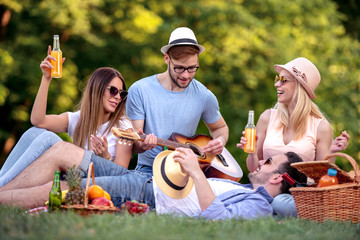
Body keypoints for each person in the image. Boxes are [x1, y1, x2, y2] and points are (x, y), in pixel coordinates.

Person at [0, 140, 306, 221]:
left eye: (268, 161)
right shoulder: (244, 188)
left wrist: (196, 171)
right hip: (144, 178)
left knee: (65, 188)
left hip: (149, 196)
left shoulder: (259, 207)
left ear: (279, 176)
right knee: (60, 151)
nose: (261, 161)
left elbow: (218, 217)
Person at [0, 47, 134, 187]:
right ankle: (2, 183)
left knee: (49, 138)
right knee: (35, 132)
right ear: (97, 89)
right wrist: (46, 79)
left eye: (122, 93)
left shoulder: (124, 127)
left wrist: (105, 156)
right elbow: (38, 121)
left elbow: (121, 177)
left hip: (97, 179)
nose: (118, 97)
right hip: (72, 174)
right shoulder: (78, 119)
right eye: (113, 91)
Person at [237, 57, 350, 217]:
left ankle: (267, 209)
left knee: (280, 203)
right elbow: (254, 168)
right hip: (265, 190)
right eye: (277, 79)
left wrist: (332, 151)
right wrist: (252, 152)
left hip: (299, 195)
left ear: (299, 86)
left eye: (283, 80)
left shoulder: (320, 126)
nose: (277, 84)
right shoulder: (267, 117)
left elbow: (322, 175)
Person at [126, 27, 229, 175]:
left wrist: (220, 141)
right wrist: (142, 145)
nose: (186, 75)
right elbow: (134, 144)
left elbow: (220, 128)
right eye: (180, 68)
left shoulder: (204, 95)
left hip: (186, 174)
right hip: (148, 171)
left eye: (192, 68)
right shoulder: (139, 90)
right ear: (167, 58)